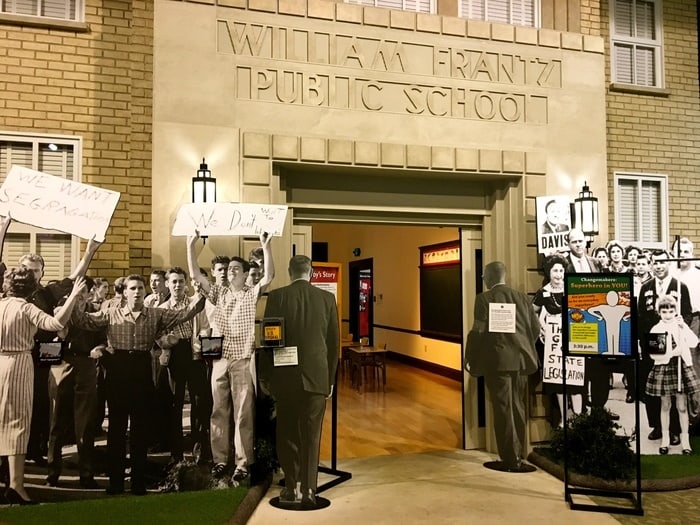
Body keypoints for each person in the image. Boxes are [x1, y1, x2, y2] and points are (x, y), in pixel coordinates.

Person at [70, 274, 205, 496]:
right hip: (117, 371)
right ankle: (115, 483)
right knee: (116, 429)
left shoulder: (155, 313)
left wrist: (201, 291)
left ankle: (139, 483)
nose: (138, 291)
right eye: (132, 288)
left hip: (142, 371)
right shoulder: (111, 313)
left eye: (141, 288)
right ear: (124, 292)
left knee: (140, 430)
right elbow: (83, 320)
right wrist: (75, 298)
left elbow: (185, 313)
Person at [187, 232, 274, 485]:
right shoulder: (219, 293)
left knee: (243, 413)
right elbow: (195, 276)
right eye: (230, 269)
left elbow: (268, 276)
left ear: (246, 273)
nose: (231, 272)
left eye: (237, 268)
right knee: (218, 410)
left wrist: (265, 247)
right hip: (220, 359)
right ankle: (220, 460)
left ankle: (242, 463)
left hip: (242, 359)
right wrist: (190, 245)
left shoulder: (250, 293)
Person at [0, 270, 86, 504]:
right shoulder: (26, 308)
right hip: (18, 363)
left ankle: (10, 482)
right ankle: (16, 484)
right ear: (31, 288)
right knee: (18, 423)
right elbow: (55, 323)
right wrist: (73, 296)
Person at [260, 255, 339, 507]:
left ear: (289, 271)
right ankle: (309, 490)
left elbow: (270, 341)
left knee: (287, 433)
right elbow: (333, 343)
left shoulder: (277, 297)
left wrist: (267, 377)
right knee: (312, 435)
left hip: (286, 378)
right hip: (317, 378)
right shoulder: (327, 299)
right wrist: (330, 380)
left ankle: (290, 487)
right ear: (311, 272)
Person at [21, 236, 102, 466]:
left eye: (37, 270)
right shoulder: (13, 294)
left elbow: (73, 279)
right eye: (28, 269)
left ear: (42, 273)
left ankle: (38, 451)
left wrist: (89, 252)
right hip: (20, 353)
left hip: (47, 352)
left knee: (44, 403)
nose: (32, 274)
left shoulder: (47, 293)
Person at [471, 261, 539, 471]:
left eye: (483, 276)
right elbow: (535, 329)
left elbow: (478, 331)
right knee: (517, 406)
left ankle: (510, 458)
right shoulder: (522, 298)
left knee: (503, 409)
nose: (483, 280)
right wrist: (522, 347)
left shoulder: (484, 299)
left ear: (490, 277)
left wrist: (470, 355)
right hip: (520, 361)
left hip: (498, 361)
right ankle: (519, 453)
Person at [46, 276, 107, 489]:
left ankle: (86, 474)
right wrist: (59, 338)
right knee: (57, 421)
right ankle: (53, 471)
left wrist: (99, 348)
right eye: (75, 292)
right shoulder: (61, 309)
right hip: (63, 364)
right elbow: (49, 336)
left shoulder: (96, 312)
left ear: (90, 293)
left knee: (86, 423)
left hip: (87, 365)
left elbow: (103, 338)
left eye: (83, 293)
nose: (79, 297)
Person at [157, 267, 212, 466]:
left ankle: (200, 449)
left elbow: (206, 327)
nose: (178, 285)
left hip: (193, 352)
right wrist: (165, 341)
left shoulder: (195, 304)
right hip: (174, 354)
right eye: (174, 282)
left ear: (186, 284)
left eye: (181, 281)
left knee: (199, 402)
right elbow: (157, 335)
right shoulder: (162, 309)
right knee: (175, 403)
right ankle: (176, 453)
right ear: (167, 284)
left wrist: (201, 342)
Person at [638, 249, 693, 445]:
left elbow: (687, 314)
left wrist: (678, 327)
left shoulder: (680, 287)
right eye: (655, 262)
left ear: (668, 263)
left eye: (662, 262)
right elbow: (640, 316)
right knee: (654, 387)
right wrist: (643, 342)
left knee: (675, 387)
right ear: (651, 264)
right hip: (653, 342)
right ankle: (657, 426)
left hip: (675, 343)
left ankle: (676, 430)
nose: (659, 266)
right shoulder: (646, 287)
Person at [533, 255, 584, 426]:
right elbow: (533, 312)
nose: (559, 274)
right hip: (552, 345)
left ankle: (578, 417)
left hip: (572, 341)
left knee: (575, 381)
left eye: (561, 270)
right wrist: (541, 328)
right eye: (555, 270)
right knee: (558, 383)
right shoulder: (543, 292)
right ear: (549, 272)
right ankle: (564, 417)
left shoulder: (572, 288)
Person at [646, 295, 700, 455]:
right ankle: (665, 439)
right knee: (665, 405)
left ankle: (685, 441)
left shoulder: (679, 326)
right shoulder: (656, 329)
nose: (668, 314)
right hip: (664, 368)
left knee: (682, 407)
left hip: (681, 368)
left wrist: (683, 326)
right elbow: (654, 355)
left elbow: (693, 342)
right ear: (659, 312)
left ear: (676, 311)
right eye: (664, 311)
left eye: (671, 311)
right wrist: (671, 353)